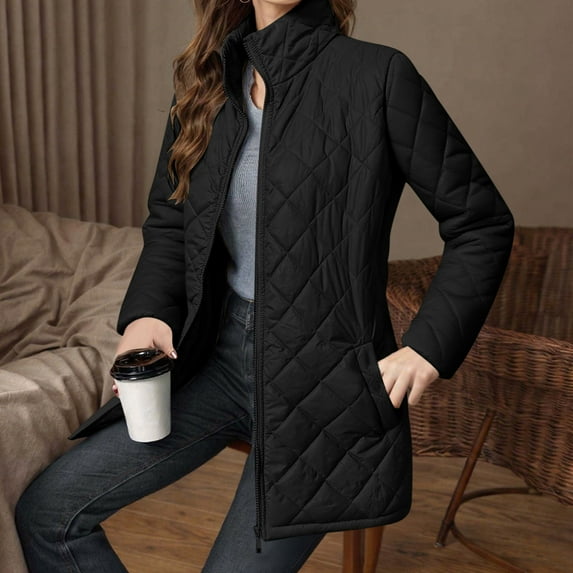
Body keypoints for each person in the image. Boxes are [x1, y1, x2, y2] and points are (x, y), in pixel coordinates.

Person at [15, 0, 515, 571]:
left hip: (323, 391)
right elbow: (173, 219)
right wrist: (148, 315)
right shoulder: (208, 82)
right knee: (48, 514)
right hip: (216, 361)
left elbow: (481, 222)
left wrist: (427, 349)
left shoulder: (377, 75)